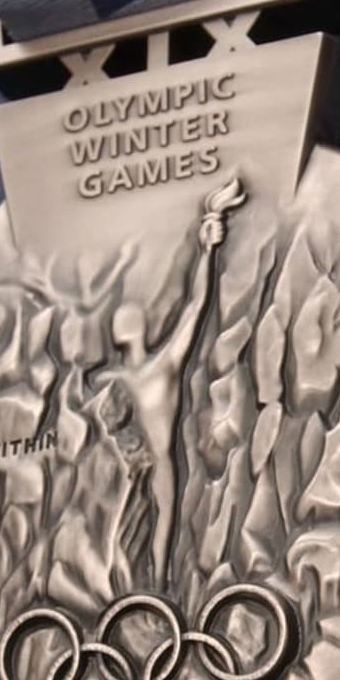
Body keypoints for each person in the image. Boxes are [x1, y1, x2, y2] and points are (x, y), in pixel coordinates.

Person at [85, 176, 245, 592]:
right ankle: (140, 595)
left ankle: (153, 596)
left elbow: (196, 306)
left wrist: (208, 250)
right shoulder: (130, 374)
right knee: (131, 545)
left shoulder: (160, 366)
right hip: (135, 471)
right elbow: (194, 307)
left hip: (157, 468)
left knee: (154, 549)